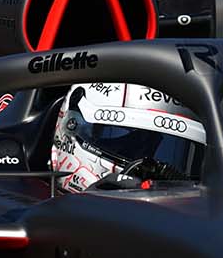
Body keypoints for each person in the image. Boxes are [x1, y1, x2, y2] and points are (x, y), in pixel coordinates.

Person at [48, 82, 206, 193]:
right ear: (72, 124)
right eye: (129, 145)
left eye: (161, 152)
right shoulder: (36, 212)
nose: (148, 169)